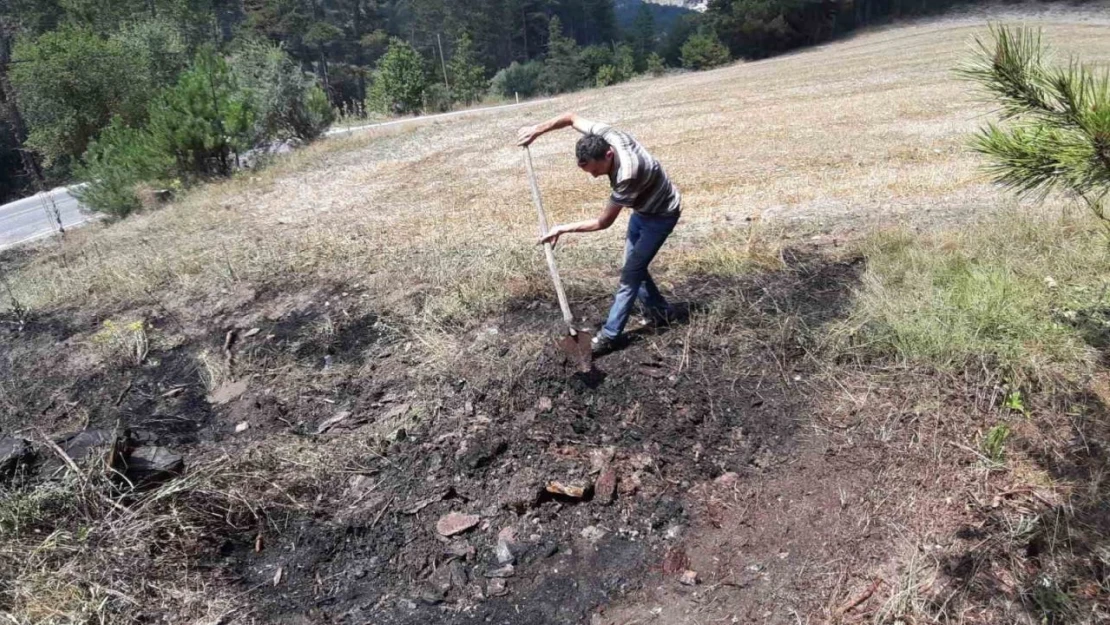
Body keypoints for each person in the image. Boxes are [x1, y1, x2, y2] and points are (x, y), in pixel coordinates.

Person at [517, 112, 681, 356]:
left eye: (595, 170)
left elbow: (603, 222)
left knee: (630, 275)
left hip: (661, 214)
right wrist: (537, 129)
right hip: (641, 211)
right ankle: (660, 312)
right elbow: (571, 118)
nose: (594, 176)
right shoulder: (607, 135)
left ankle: (610, 335)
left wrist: (562, 228)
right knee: (634, 264)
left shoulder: (628, 173)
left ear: (608, 155)